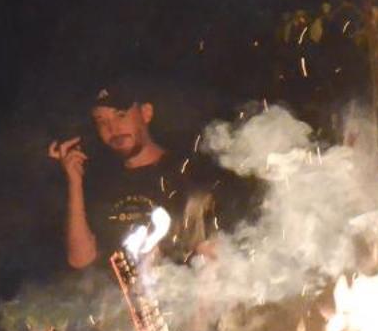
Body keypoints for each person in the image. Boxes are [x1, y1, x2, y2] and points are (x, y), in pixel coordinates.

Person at [47, 79, 253, 270]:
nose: (113, 128)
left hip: (177, 297)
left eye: (121, 115)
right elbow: (80, 259)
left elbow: (212, 257)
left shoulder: (188, 173)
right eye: (102, 121)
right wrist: (74, 182)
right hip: (117, 304)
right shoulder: (102, 183)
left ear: (146, 113)